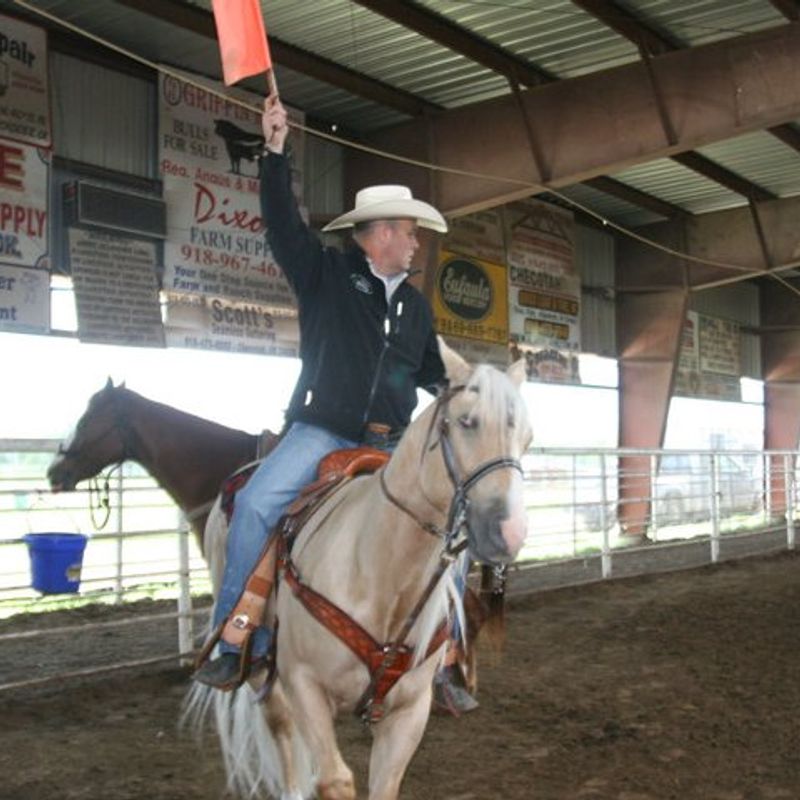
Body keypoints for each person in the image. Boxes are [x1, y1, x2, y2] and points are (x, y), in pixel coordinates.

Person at [194, 96, 473, 712]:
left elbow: (433, 374)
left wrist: (472, 393)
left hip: (391, 442)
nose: (417, 242)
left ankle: (447, 652)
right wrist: (273, 153)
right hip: (322, 431)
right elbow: (281, 227)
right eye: (409, 231)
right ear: (379, 235)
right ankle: (239, 636)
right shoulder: (325, 273)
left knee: (455, 527)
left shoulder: (417, 309)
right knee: (258, 504)